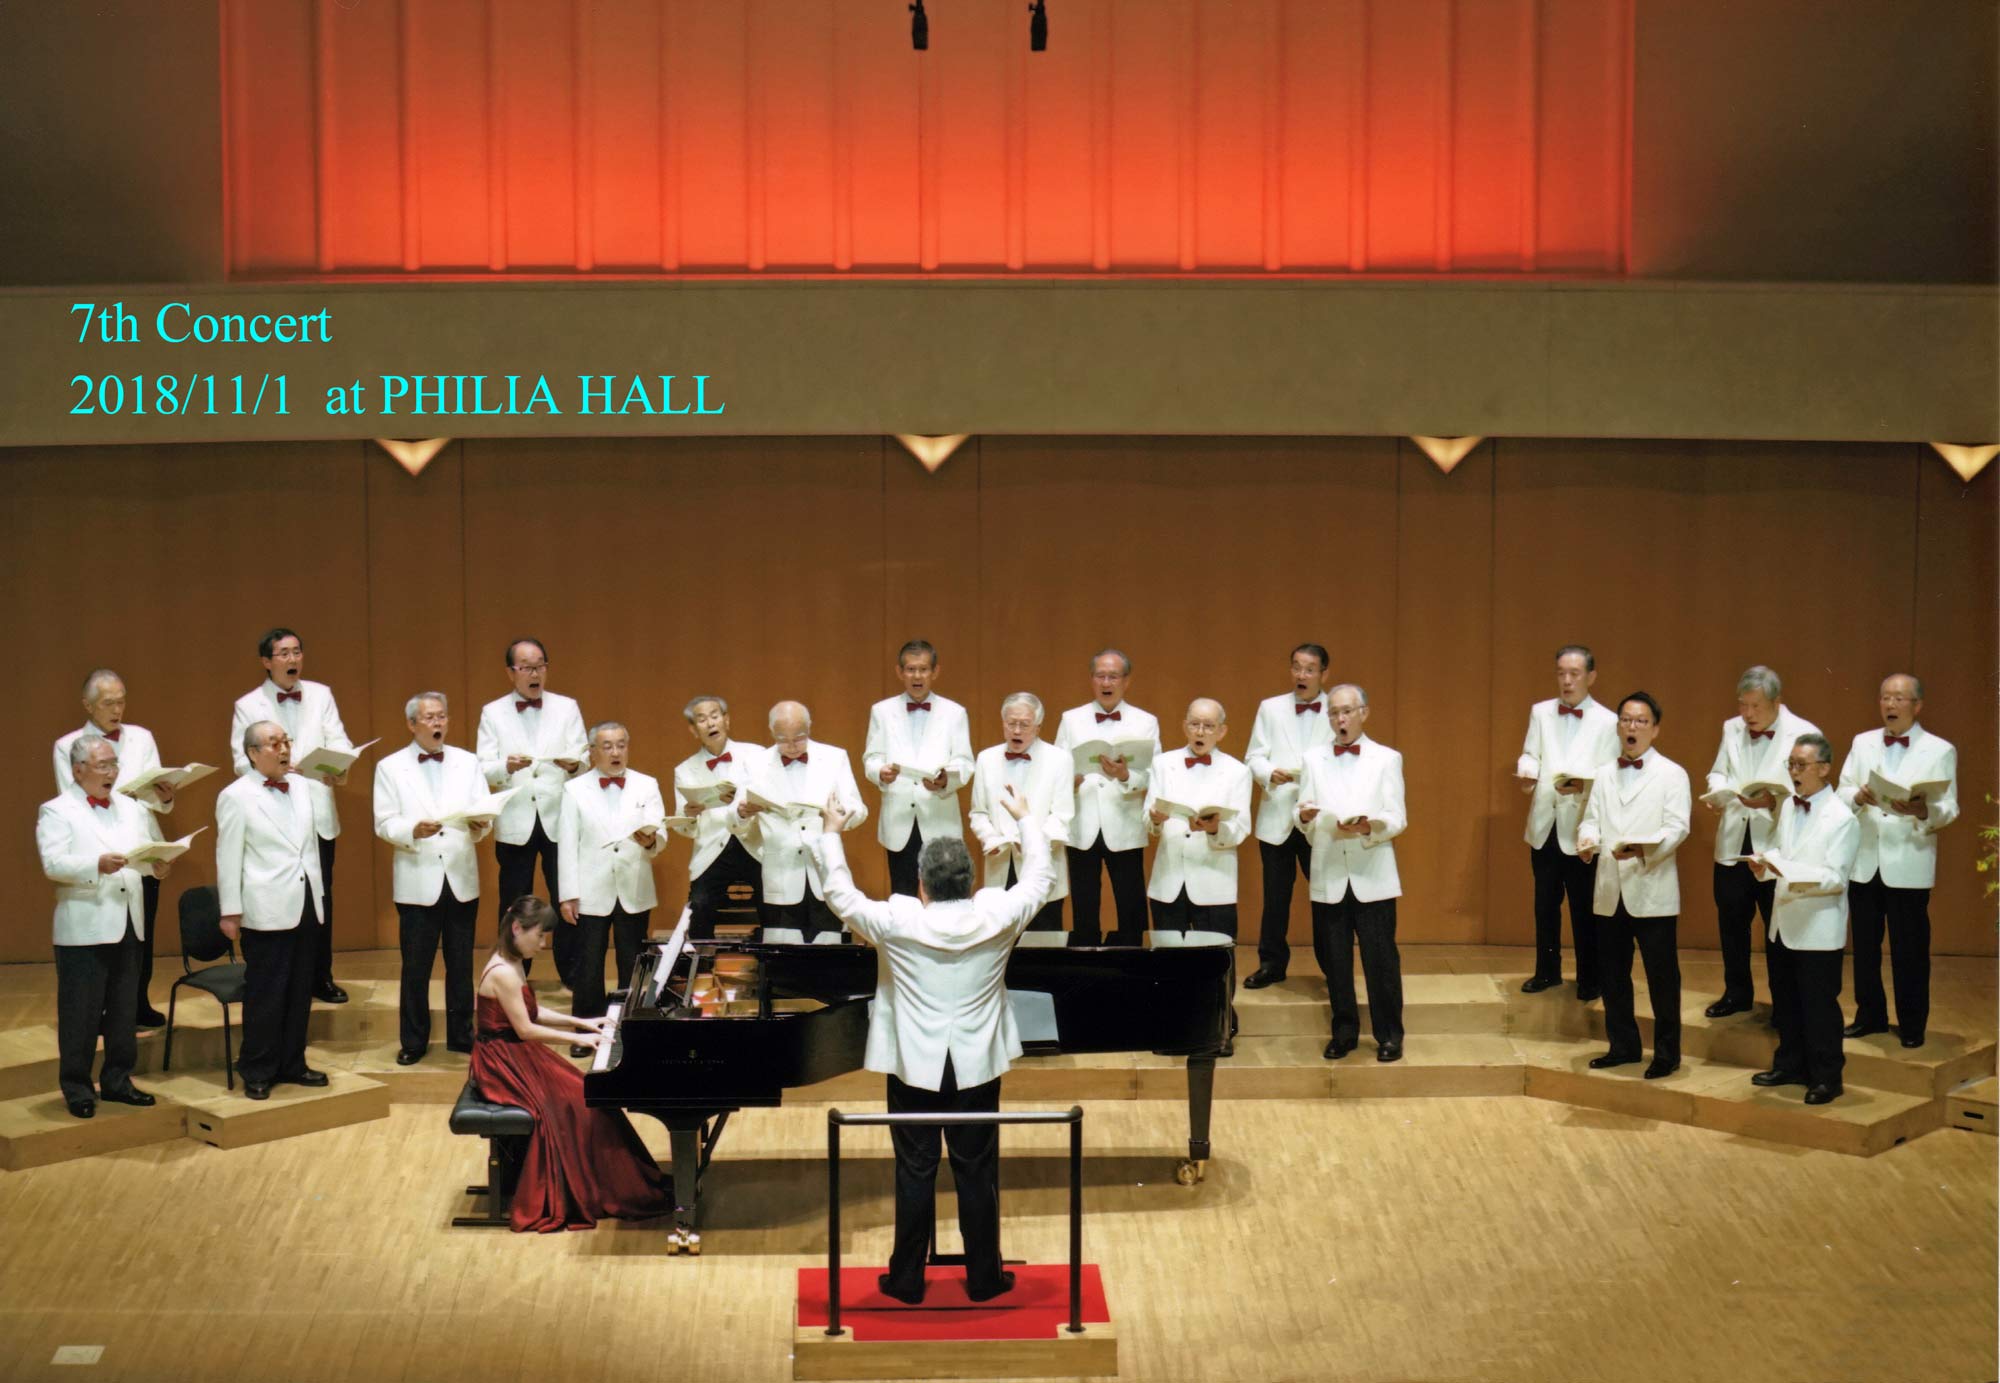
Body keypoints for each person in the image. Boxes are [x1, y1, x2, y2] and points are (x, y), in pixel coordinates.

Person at [814, 782, 1053, 1305]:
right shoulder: (997, 915)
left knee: (914, 1168)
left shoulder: (897, 921)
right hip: (977, 1066)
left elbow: (839, 894)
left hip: (913, 1067)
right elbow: (1040, 878)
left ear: (920, 884)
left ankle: (906, 1280)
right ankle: (985, 1278)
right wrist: (1026, 818)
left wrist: (831, 833)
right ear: (970, 882)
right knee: (977, 1169)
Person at [471, 896, 671, 1233]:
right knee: (579, 1104)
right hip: (500, 1063)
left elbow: (533, 1011)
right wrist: (579, 1038)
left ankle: (613, 1180)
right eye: (539, 935)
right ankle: (600, 1187)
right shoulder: (503, 972)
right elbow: (526, 1029)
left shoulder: (512, 961)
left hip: (515, 1052)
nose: (543, 943)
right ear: (517, 928)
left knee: (586, 1096)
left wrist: (583, 1021)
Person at [38, 733, 164, 1118]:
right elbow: (53, 863)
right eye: (103, 765)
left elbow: (145, 854)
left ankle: (118, 1081)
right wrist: (96, 864)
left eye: (114, 764)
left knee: (124, 1013)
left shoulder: (132, 808)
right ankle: (76, 1088)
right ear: (78, 771)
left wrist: (157, 866)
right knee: (81, 1014)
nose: (112, 772)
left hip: (127, 922)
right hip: (85, 927)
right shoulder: (57, 811)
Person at [229, 627, 354, 1005]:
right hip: (273, 817)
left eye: (297, 652)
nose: (293, 659)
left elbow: (340, 742)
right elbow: (240, 762)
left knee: (320, 901)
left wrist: (335, 765)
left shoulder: (321, 694)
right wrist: (279, 769)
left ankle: (320, 976)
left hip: (316, 813)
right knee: (280, 901)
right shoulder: (248, 705)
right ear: (266, 662)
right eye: (283, 653)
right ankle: (280, 979)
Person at [1837, 674, 1958, 1048]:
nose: (1890, 704)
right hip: (1865, 861)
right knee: (1865, 949)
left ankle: (1912, 1025)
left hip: (1908, 862)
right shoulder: (1862, 742)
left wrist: (1924, 810)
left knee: (1910, 951)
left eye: (1899, 698)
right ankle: (1869, 1016)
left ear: (1917, 706)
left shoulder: (1939, 750)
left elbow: (1949, 807)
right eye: (1885, 697)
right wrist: (1857, 797)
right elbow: (1841, 791)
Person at [1576, 693, 1691, 1080]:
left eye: (1641, 721)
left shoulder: (1672, 774)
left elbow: (1677, 827)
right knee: (1613, 974)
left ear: (1655, 729)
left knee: (1662, 978)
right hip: (1611, 888)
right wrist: (1587, 840)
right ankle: (1623, 1046)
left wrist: (1643, 849)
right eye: (1626, 720)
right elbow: (1591, 819)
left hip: (1651, 886)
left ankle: (1667, 1054)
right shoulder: (1604, 773)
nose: (1632, 727)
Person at [53, 668, 176, 1026]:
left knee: (141, 931)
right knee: (104, 936)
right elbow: (73, 799)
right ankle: (102, 1010)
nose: (117, 709)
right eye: (109, 703)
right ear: (88, 705)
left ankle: (137, 1002)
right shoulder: (68, 745)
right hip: (100, 848)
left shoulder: (142, 737)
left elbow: (154, 797)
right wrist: (121, 795)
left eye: (121, 701)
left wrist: (164, 796)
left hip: (141, 847)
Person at [374, 692, 492, 1066]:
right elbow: (384, 822)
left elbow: (484, 812)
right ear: (412, 724)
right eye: (429, 717)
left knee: (461, 966)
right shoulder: (390, 767)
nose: (438, 722)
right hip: (417, 879)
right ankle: (413, 1041)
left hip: (460, 877)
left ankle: (461, 1036)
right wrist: (412, 829)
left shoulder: (468, 762)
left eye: (442, 716)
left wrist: (481, 824)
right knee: (416, 968)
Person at [216, 720, 330, 1100]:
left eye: (286, 741)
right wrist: (230, 911)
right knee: (267, 994)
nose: (284, 749)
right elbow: (228, 856)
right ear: (252, 753)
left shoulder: (302, 786)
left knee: (299, 991)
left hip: (305, 902)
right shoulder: (235, 796)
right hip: (266, 907)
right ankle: (257, 1068)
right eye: (273, 744)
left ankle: (293, 1063)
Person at [1295, 685, 1407, 1062]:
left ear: (1364, 713)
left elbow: (1397, 817)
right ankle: (1344, 1032)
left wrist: (1368, 826)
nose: (1340, 719)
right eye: (1333, 713)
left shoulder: (1387, 759)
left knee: (1381, 960)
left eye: (1346, 711)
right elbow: (1303, 814)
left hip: (1372, 873)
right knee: (1336, 961)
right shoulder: (1312, 759)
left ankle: (1389, 1035)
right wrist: (1305, 817)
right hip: (1328, 870)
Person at [1701, 665, 1820, 1018]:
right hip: (1734, 840)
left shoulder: (1804, 733)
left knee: (1777, 928)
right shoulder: (1731, 728)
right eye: (1743, 704)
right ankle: (1736, 994)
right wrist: (1718, 790)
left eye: (1756, 706)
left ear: (1776, 702)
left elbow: (1812, 794)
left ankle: (1784, 1005)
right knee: (1731, 923)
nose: (1748, 714)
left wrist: (1774, 801)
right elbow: (1719, 770)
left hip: (1776, 844)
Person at [1749, 734, 1859, 1105]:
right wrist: (1766, 863)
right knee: (1786, 1001)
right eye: (1791, 765)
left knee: (1819, 1007)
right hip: (1784, 922)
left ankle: (1827, 1077)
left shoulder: (1842, 818)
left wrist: (1792, 873)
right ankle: (1790, 1065)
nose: (1794, 772)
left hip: (1817, 927)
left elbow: (1836, 878)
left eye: (1801, 765)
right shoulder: (1789, 807)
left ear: (1824, 769)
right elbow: (1784, 851)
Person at [476, 638, 588, 983]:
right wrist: (506, 766)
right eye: (526, 667)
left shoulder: (567, 707)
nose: (535, 673)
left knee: (566, 896)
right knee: (514, 899)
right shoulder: (493, 712)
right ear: (511, 673)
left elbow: (585, 758)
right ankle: (513, 971)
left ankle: (571, 972)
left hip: (558, 817)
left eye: (540, 666)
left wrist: (574, 764)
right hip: (515, 819)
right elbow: (482, 768)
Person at [1514, 644, 1619, 999]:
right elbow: (1531, 753)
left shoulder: (1607, 721)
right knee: (1544, 904)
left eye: (1574, 674)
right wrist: (1528, 771)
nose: (1567, 681)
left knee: (1583, 907)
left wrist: (1583, 784)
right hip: (1545, 821)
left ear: (1591, 677)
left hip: (1581, 824)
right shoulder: (1541, 712)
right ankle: (1547, 971)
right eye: (1561, 673)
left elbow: (1610, 774)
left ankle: (1590, 978)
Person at [556, 722, 667, 1050]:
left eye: (621, 745)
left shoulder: (647, 784)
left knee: (633, 963)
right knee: (588, 963)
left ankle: (630, 1032)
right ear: (592, 752)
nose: (616, 752)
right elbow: (567, 843)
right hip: (590, 888)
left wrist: (652, 841)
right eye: (607, 746)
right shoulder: (574, 789)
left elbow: (660, 831)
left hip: (633, 885)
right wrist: (568, 894)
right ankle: (586, 1033)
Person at [1053, 649, 1161, 945]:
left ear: (1126, 681)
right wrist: (1069, 782)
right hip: (1082, 822)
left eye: (1113, 676)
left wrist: (1125, 776)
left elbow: (1155, 775)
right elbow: (1055, 768)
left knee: (1131, 902)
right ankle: (1087, 963)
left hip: (1124, 822)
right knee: (1084, 903)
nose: (1106, 682)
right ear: (1091, 679)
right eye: (1100, 675)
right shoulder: (1070, 719)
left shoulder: (1146, 721)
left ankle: (1131, 963)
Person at [734, 701, 867, 939]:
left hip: (825, 871)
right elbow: (733, 819)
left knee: (829, 950)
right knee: (782, 953)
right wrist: (742, 813)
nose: (792, 746)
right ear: (771, 731)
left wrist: (839, 815)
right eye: (783, 739)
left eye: (799, 737)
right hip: (780, 875)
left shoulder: (834, 757)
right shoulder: (755, 764)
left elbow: (858, 809)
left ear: (810, 727)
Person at [1242, 644, 1333, 988]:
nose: (1301, 675)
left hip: (1319, 817)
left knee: (1325, 898)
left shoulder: (1337, 708)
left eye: (1309, 669)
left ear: (1324, 674)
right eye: (1296, 667)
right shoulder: (1271, 707)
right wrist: (1269, 773)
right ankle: (1271, 964)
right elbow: (1254, 756)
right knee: (1275, 898)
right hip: (1277, 812)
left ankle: (1333, 968)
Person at [863, 639, 975, 897]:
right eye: (911, 669)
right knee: (902, 895)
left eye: (923, 669)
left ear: (935, 672)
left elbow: (965, 762)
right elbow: (871, 757)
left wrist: (946, 780)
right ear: (899, 672)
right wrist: (880, 772)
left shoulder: (955, 713)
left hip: (939, 816)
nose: (917, 676)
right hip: (898, 818)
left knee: (945, 895)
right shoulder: (881, 711)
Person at [1144, 699, 1253, 937]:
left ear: (1222, 731)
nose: (1200, 732)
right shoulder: (1162, 764)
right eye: (1194, 724)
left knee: (1215, 956)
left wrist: (1214, 829)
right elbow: (1148, 819)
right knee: (1169, 956)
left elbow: (1241, 827)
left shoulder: (1237, 771)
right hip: (1168, 882)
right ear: (1185, 726)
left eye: (1209, 726)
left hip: (1214, 883)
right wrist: (1155, 819)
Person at [967, 693, 1074, 933]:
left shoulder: (1060, 759)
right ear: (1003, 723)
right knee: (1000, 939)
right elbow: (978, 813)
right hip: (1000, 864)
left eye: (1024, 724)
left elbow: (1062, 816)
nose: (1016, 730)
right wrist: (990, 839)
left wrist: (1031, 843)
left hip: (1043, 868)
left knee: (1044, 942)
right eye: (1011, 723)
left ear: (1038, 727)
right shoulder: (986, 759)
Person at [671, 695, 764, 938]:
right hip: (712, 849)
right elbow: (684, 828)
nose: (710, 723)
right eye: (702, 720)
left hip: (754, 843)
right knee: (700, 904)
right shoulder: (684, 770)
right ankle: (701, 958)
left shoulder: (756, 755)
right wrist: (689, 815)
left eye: (715, 716)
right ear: (693, 730)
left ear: (727, 720)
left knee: (772, 900)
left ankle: (770, 956)